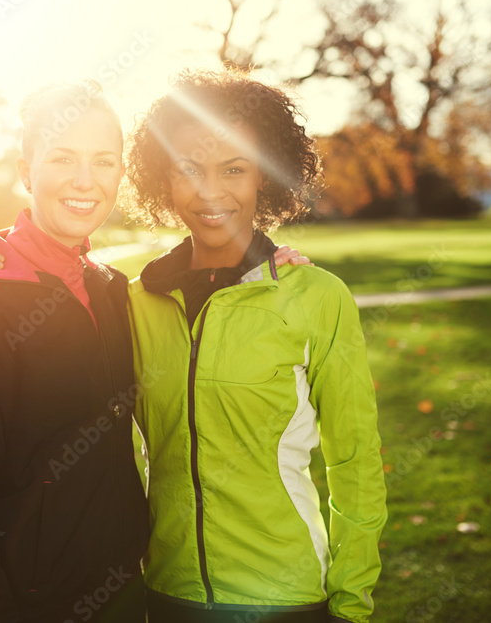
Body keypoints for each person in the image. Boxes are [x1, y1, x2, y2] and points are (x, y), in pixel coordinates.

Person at [121, 69, 387, 623]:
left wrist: (352, 602)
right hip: (168, 594)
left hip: (284, 598)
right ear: (163, 180)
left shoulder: (316, 297)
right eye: (188, 169)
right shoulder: (133, 306)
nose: (210, 192)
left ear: (263, 177)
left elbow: (355, 463)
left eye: (234, 170)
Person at [0, 81, 149, 622]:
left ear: (120, 174)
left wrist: (270, 258)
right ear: (26, 172)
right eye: (62, 158)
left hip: (125, 588)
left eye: (104, 161)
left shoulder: (113, 290)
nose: (84, 180)